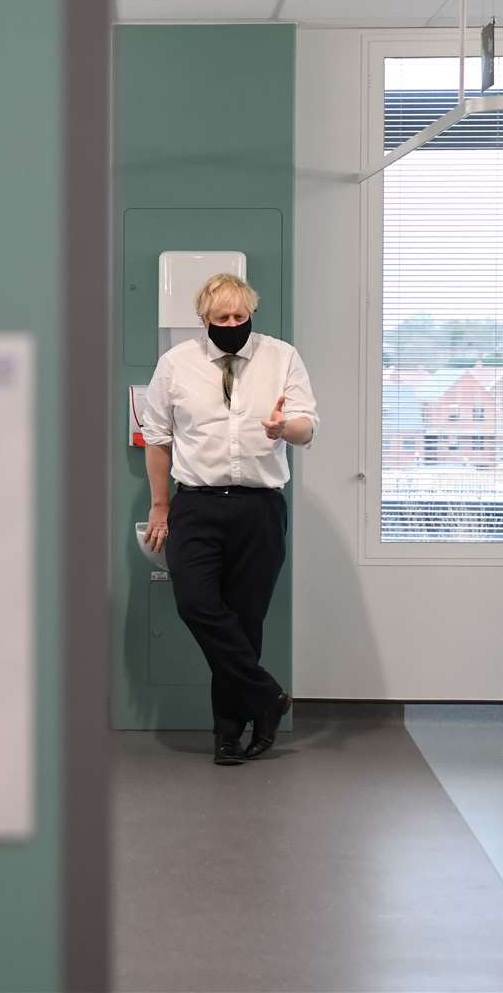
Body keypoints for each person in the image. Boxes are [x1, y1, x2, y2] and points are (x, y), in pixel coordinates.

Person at [140, 273, 318, 766]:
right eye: (223, 318)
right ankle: (268, 697)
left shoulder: (281, 357)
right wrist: (160, 506)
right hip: (196, 504)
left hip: (259, 508)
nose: (234, 324)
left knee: (244, 624)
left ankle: (228, 734)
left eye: (241, 317)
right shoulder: (176, 365)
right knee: (197, 605)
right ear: (204, 320)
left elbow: (307, 429)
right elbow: (157, 438)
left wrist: (287, 426)